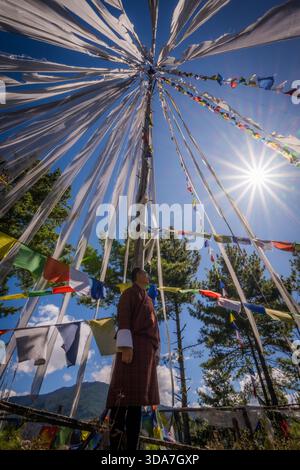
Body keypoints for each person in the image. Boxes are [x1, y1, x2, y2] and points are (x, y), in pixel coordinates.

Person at [106, 267, 160, 451]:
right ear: (137, 276)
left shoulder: (149, 300)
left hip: (146, 353)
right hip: (133, 348)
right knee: (121, 398)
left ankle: (132, 449)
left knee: (137, 402)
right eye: (145, 273)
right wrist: (126, 347)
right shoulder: (129, 293)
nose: (148, 276)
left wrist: (156, 352)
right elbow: (124, 319)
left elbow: (155, 329)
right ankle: (114, 449)